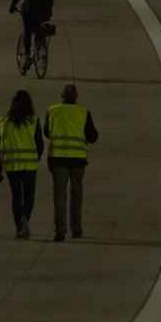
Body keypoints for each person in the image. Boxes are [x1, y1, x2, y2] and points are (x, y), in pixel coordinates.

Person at [45, 84, 100, 241]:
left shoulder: (52, 110)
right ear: (76, 97)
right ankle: (76, 229)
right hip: (77, 160)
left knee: (59, 197)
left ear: (61, 96)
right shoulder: (84, 113)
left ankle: (60, 231)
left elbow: (47, 132)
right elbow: (93, 137)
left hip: (58, 160)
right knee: (77, 196)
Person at [0, 89, 45, 239]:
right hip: (29, 165)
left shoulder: (4, 121)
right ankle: (25, 220)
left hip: (12, 165)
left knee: (16, 197)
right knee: (29, 196)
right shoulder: (33, 120)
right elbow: (39, 143)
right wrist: (37, 157)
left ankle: (19, 228)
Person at [8, 0, 55, 65]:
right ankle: (41, 46)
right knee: (38, 26)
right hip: (44, 12)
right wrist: (48, 9)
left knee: (27, 30)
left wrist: (12, 8)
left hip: (29, 12)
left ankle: (28, 55)